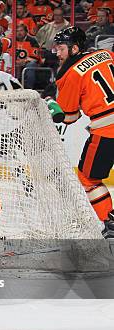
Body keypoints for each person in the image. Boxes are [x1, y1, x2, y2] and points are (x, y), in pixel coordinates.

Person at [52, 27, 114, 236]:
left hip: (107, 130)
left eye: (60, 49)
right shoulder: (107, 54)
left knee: (88, 179)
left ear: (75, 48)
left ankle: (110, 224)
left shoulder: (70, 74)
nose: (57, 53)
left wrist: (54, 111)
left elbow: (70, 117)